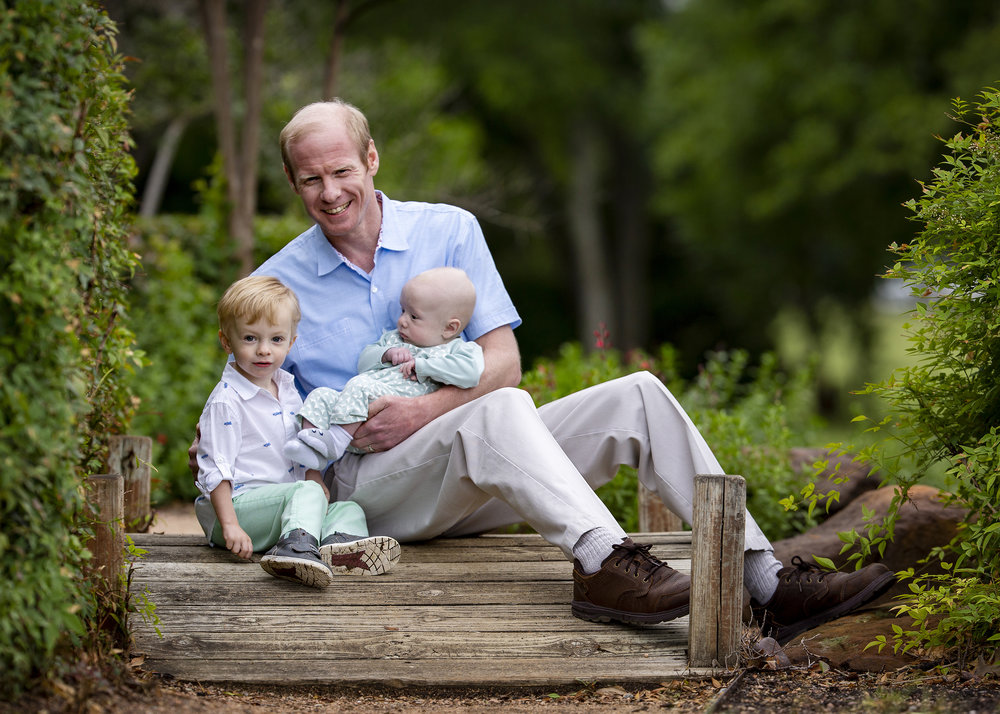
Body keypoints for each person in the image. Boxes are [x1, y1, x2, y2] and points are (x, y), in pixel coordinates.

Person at [191, 100, 894, 643]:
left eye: (342, 170)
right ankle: (601, 565)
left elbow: (503, 361)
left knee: (638, 395)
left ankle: (766, 582)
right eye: (311, 178)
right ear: (291, 181)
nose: (330, 190)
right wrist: (220, 454)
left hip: (467, 464)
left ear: (371, 159)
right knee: (500, 410)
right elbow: (252, 387)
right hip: (370, 492)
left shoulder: (450, 229)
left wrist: (426, 410)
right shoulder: (278, 280)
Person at [194, 275, 401, 588]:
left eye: (276, 340)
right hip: (237, 510)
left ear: (291, 342)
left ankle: (338, 548)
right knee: (306, 493)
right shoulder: (226, 401)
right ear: (227, 341)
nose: (264, 350)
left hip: (285, 506)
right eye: (250, 338)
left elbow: (299, 446)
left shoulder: (287, 388)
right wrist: (230, 526)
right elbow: (215, 468)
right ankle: (296, 550)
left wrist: (314, 478)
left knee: (346, 506)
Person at [283, 266, 484, 469]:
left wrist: (423, 366)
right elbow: (364, 363)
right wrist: (386, 354)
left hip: (393, 418)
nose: (402, 321)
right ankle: (311, 447)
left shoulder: (458, 349)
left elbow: (471, 373)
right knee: (321, 395)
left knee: (361, 385)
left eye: (414, 316)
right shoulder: (393, 339)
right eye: (403, 310)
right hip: (355, 412)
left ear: (450, 328)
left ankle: (335, 441)